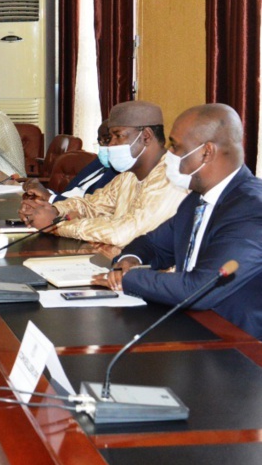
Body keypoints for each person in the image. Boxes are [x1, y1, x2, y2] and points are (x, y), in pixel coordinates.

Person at [96, 104, 262, 338]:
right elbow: (153, 244)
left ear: (206, 152)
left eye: (176, 146)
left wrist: (130, 278)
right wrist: (129, 260)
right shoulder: (196, 199)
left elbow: (199, 289)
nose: (169, 156)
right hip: (192, 326)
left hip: (240, 345)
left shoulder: (252, 211)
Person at [20, 100, 188, 247]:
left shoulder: (171, 178)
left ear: (146, 136)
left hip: (154, 276)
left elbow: (125, 233)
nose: (111, 144)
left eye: (118, 136)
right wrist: (50, 210)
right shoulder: (128, 175)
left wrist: (56, 226)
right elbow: (92, 205)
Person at [22, 120, 118, 202]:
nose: (104, 146)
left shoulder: (122, 174)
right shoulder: (99, 163)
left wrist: (49, 197)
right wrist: (41, 192)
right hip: (57, 209)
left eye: (107, 139)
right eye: (100, 141)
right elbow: (69, 194)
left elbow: (92, 209)